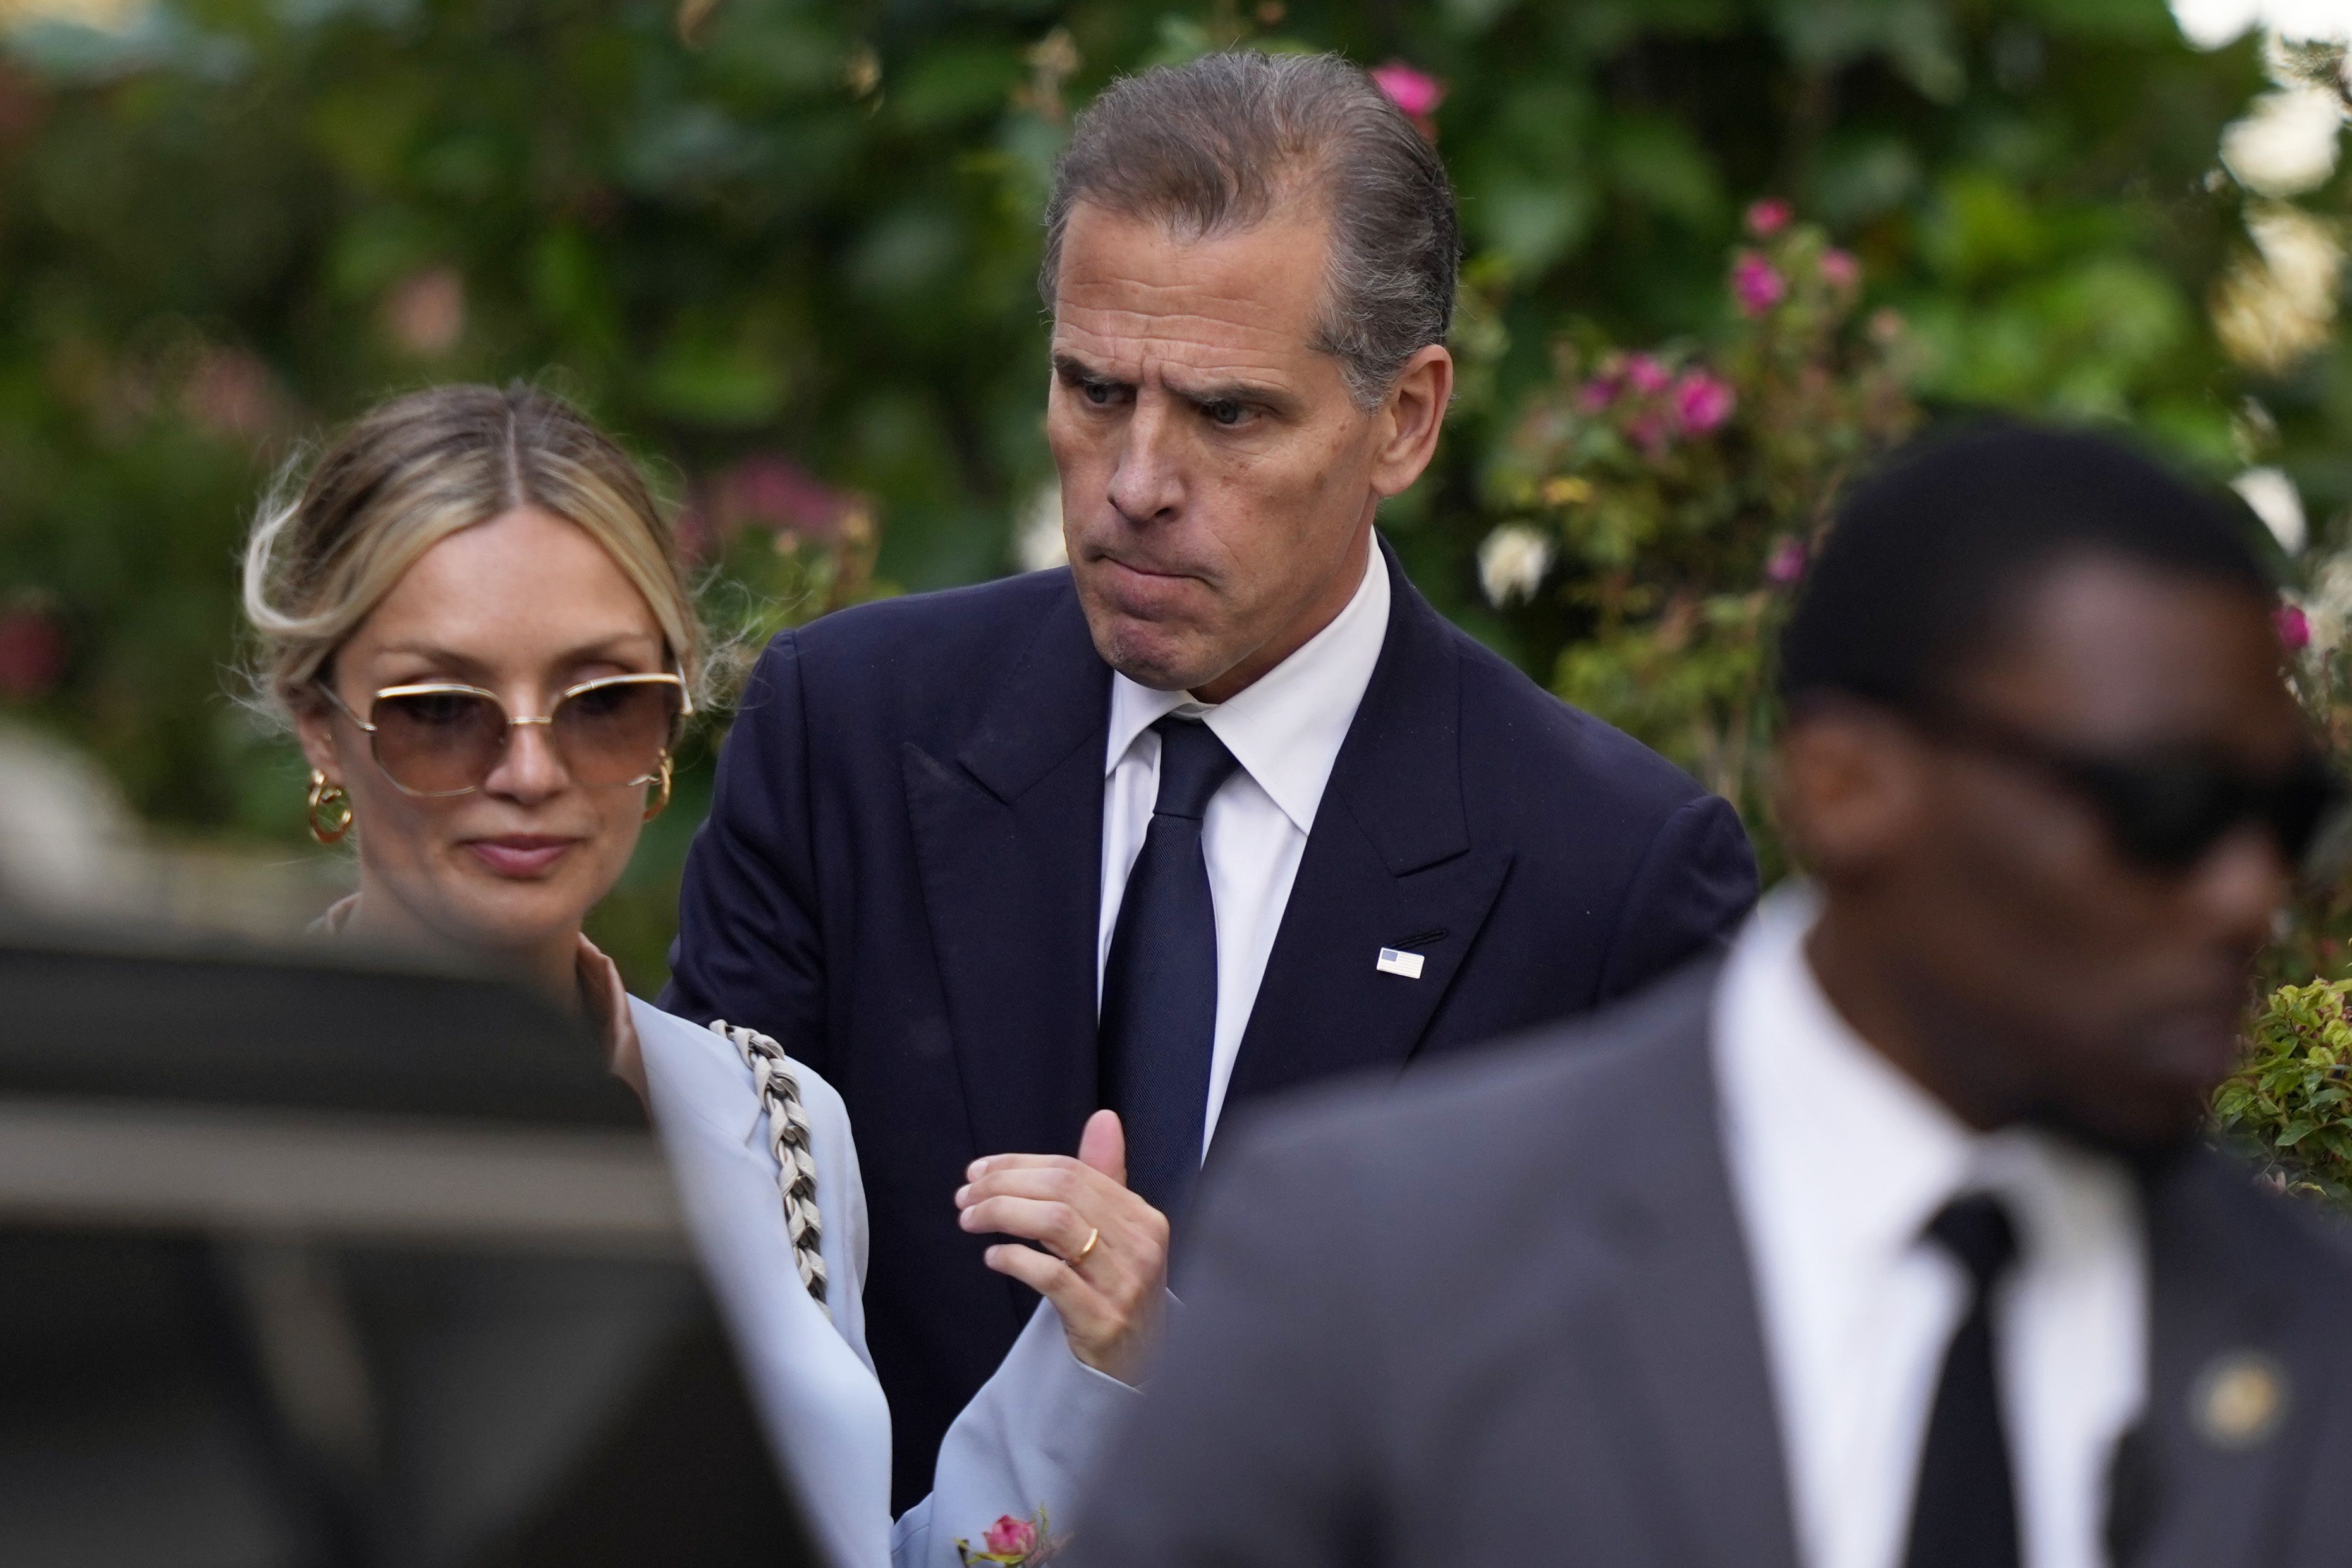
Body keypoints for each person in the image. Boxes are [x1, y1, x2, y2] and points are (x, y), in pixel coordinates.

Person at [661, 48, 1759, 1499]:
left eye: (1228, 414)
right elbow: (705, 1309)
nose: (1134, 480)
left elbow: (1655, 1463)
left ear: (1406, 421)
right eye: (1093, 388)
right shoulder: (848, 732)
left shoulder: (1611, 873)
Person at [1068, 423, 2352, 1568]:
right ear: (1847, 785)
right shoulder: (1382, 1254)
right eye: (2163, 809)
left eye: (2281, 818)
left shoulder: (2312, 1336)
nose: (2246, 893)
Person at [239, 383, 1169, 1568]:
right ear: (322, 724)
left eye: (603, 704)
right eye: (440, 711)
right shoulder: (218, 1119)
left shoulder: (776, 1118)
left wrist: (1088, 1372)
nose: (530, 769)